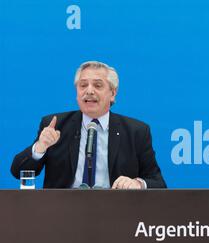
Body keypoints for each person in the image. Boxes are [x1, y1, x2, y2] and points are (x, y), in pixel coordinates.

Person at [11, 61, 167, 189]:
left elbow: (158, 183)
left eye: (98, 85)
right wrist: (40, 147)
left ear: (113, 93)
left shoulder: (136, 131)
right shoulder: (55, 125)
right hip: (62, 214)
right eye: (83, 85)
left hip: (116, 214)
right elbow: (18, 172)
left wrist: (137, 184)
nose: (89, 91)